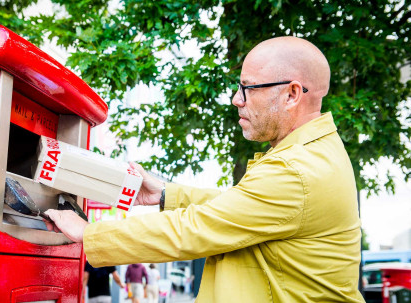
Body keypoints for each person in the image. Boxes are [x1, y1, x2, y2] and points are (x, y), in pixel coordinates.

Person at [45, 36, 365, 302]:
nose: (236, 99)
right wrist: (165, 194)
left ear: (292, 94)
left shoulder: (296, 170)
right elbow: (243, 206)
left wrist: (88, 232)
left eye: (248, 88)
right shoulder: (311, 156)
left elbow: (193, 228)